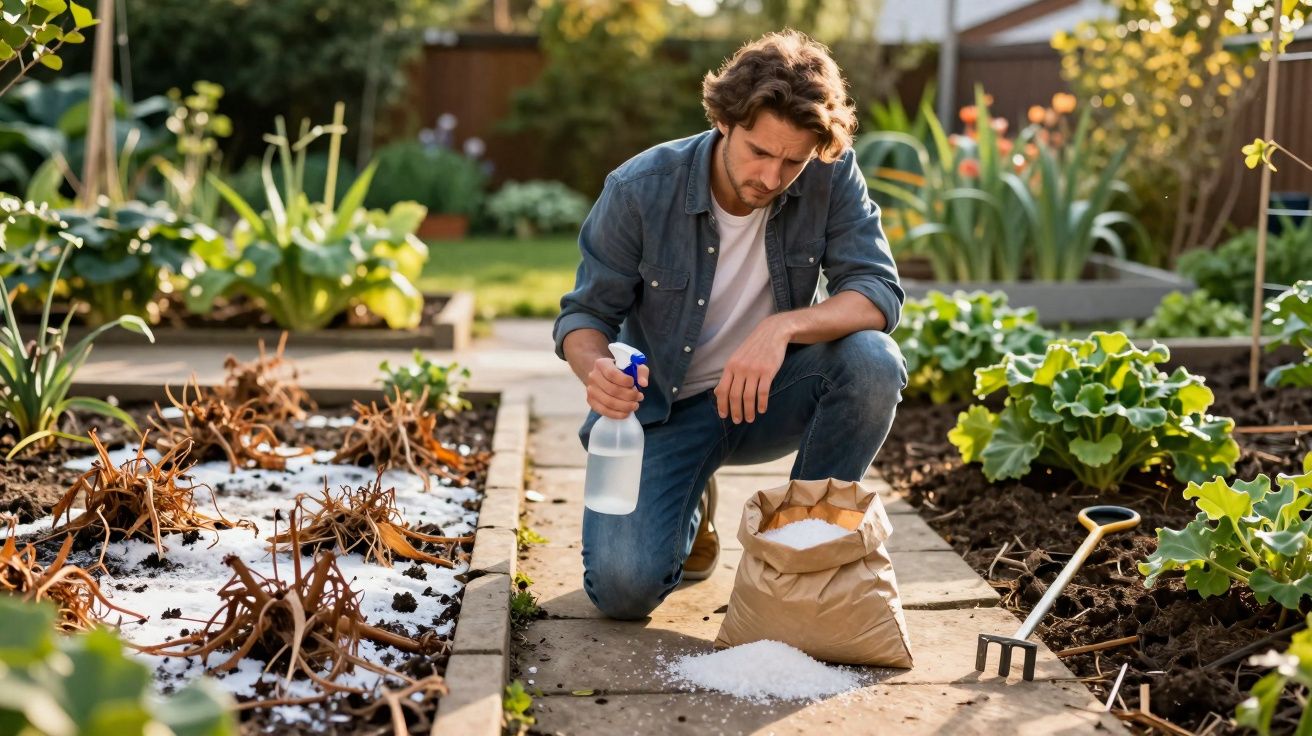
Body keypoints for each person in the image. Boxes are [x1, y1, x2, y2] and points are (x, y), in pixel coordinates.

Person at [553, 29, 906, 620]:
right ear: (724, 122)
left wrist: (780, 330)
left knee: (873, 361)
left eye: (792, 161)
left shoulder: (829, 174)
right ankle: (692, 503)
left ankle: (804, 553)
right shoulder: (640, 190)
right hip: (662, 412)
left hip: (768, 395)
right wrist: (594, 368)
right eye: (759, 152)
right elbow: (585, 315)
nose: (772, 177)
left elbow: (878, 293)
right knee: (622, 592)